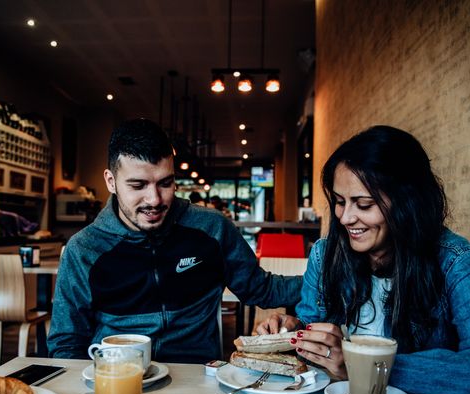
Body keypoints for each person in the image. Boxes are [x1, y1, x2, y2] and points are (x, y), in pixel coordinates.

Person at [257, 125, 470, 394]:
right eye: (339, 201)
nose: (345, 218)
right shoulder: (325, 254)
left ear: (408, 203)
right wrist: (292, 332)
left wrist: (363, 365)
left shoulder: (454, 260)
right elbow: (313, 331)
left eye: (364, 204)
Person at [48, 118, 302, 363]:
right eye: (138, 186)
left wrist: (329, 279)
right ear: (111, 182)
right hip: (120, 378)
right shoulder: (84, 249)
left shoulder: (212, 228)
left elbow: (262, 289)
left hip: (196, 379)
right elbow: (66, 343)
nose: (155, 199)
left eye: (165, 183)